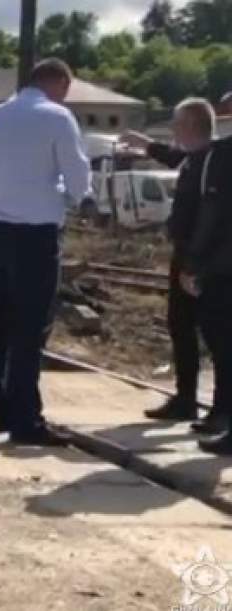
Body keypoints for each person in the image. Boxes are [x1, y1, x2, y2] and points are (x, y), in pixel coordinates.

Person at [0, 59, 91, 447]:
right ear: (58, 81)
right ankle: (26, 419)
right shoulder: (57, 117)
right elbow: (76, 177)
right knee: (29, 326)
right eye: (66, 89)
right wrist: (70, 194)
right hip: (34, 234)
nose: (66, 96)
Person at [120, 99, 217, 430]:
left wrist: (194, 262)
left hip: (203, 259)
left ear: (190, 125)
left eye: (176, 125)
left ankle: (220, 410)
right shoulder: (195, 159)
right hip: (188, 255)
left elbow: (210, 217)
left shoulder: (211, 161)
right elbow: (174, 156)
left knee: (215, 333)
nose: (173, 131)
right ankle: (186, 399)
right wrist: (146, 145)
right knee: (180, 325)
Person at [190, 132, 232, 454]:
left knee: (222, 340)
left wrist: (194, 259)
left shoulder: (223, 153)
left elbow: (213, 210)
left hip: (223, 264)